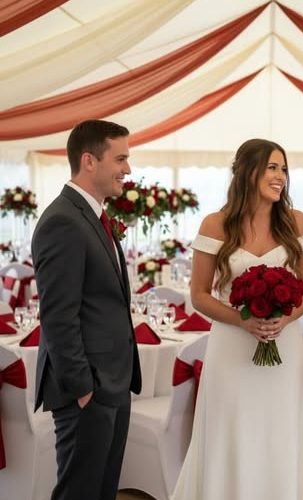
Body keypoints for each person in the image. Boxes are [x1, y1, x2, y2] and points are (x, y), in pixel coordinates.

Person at [173, 138, 303, 500]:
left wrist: (285, 319)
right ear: (248, 172)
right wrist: (242, 320)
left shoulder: (297, 222)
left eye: (283, 169)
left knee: (279, 428)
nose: (280, 176)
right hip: (232, 348)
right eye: (272, 167)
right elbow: (199, 294)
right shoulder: (215, 224)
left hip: (285, 347)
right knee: (231, 428)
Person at [31, 119, 142, 500]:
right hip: (88, 388)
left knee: (102, 491)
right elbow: (58, 317)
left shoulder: (91, 216)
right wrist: (83, 389)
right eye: (120, 159)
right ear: (89, 161)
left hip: (111, 383)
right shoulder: (63, 221)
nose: (128, 169)